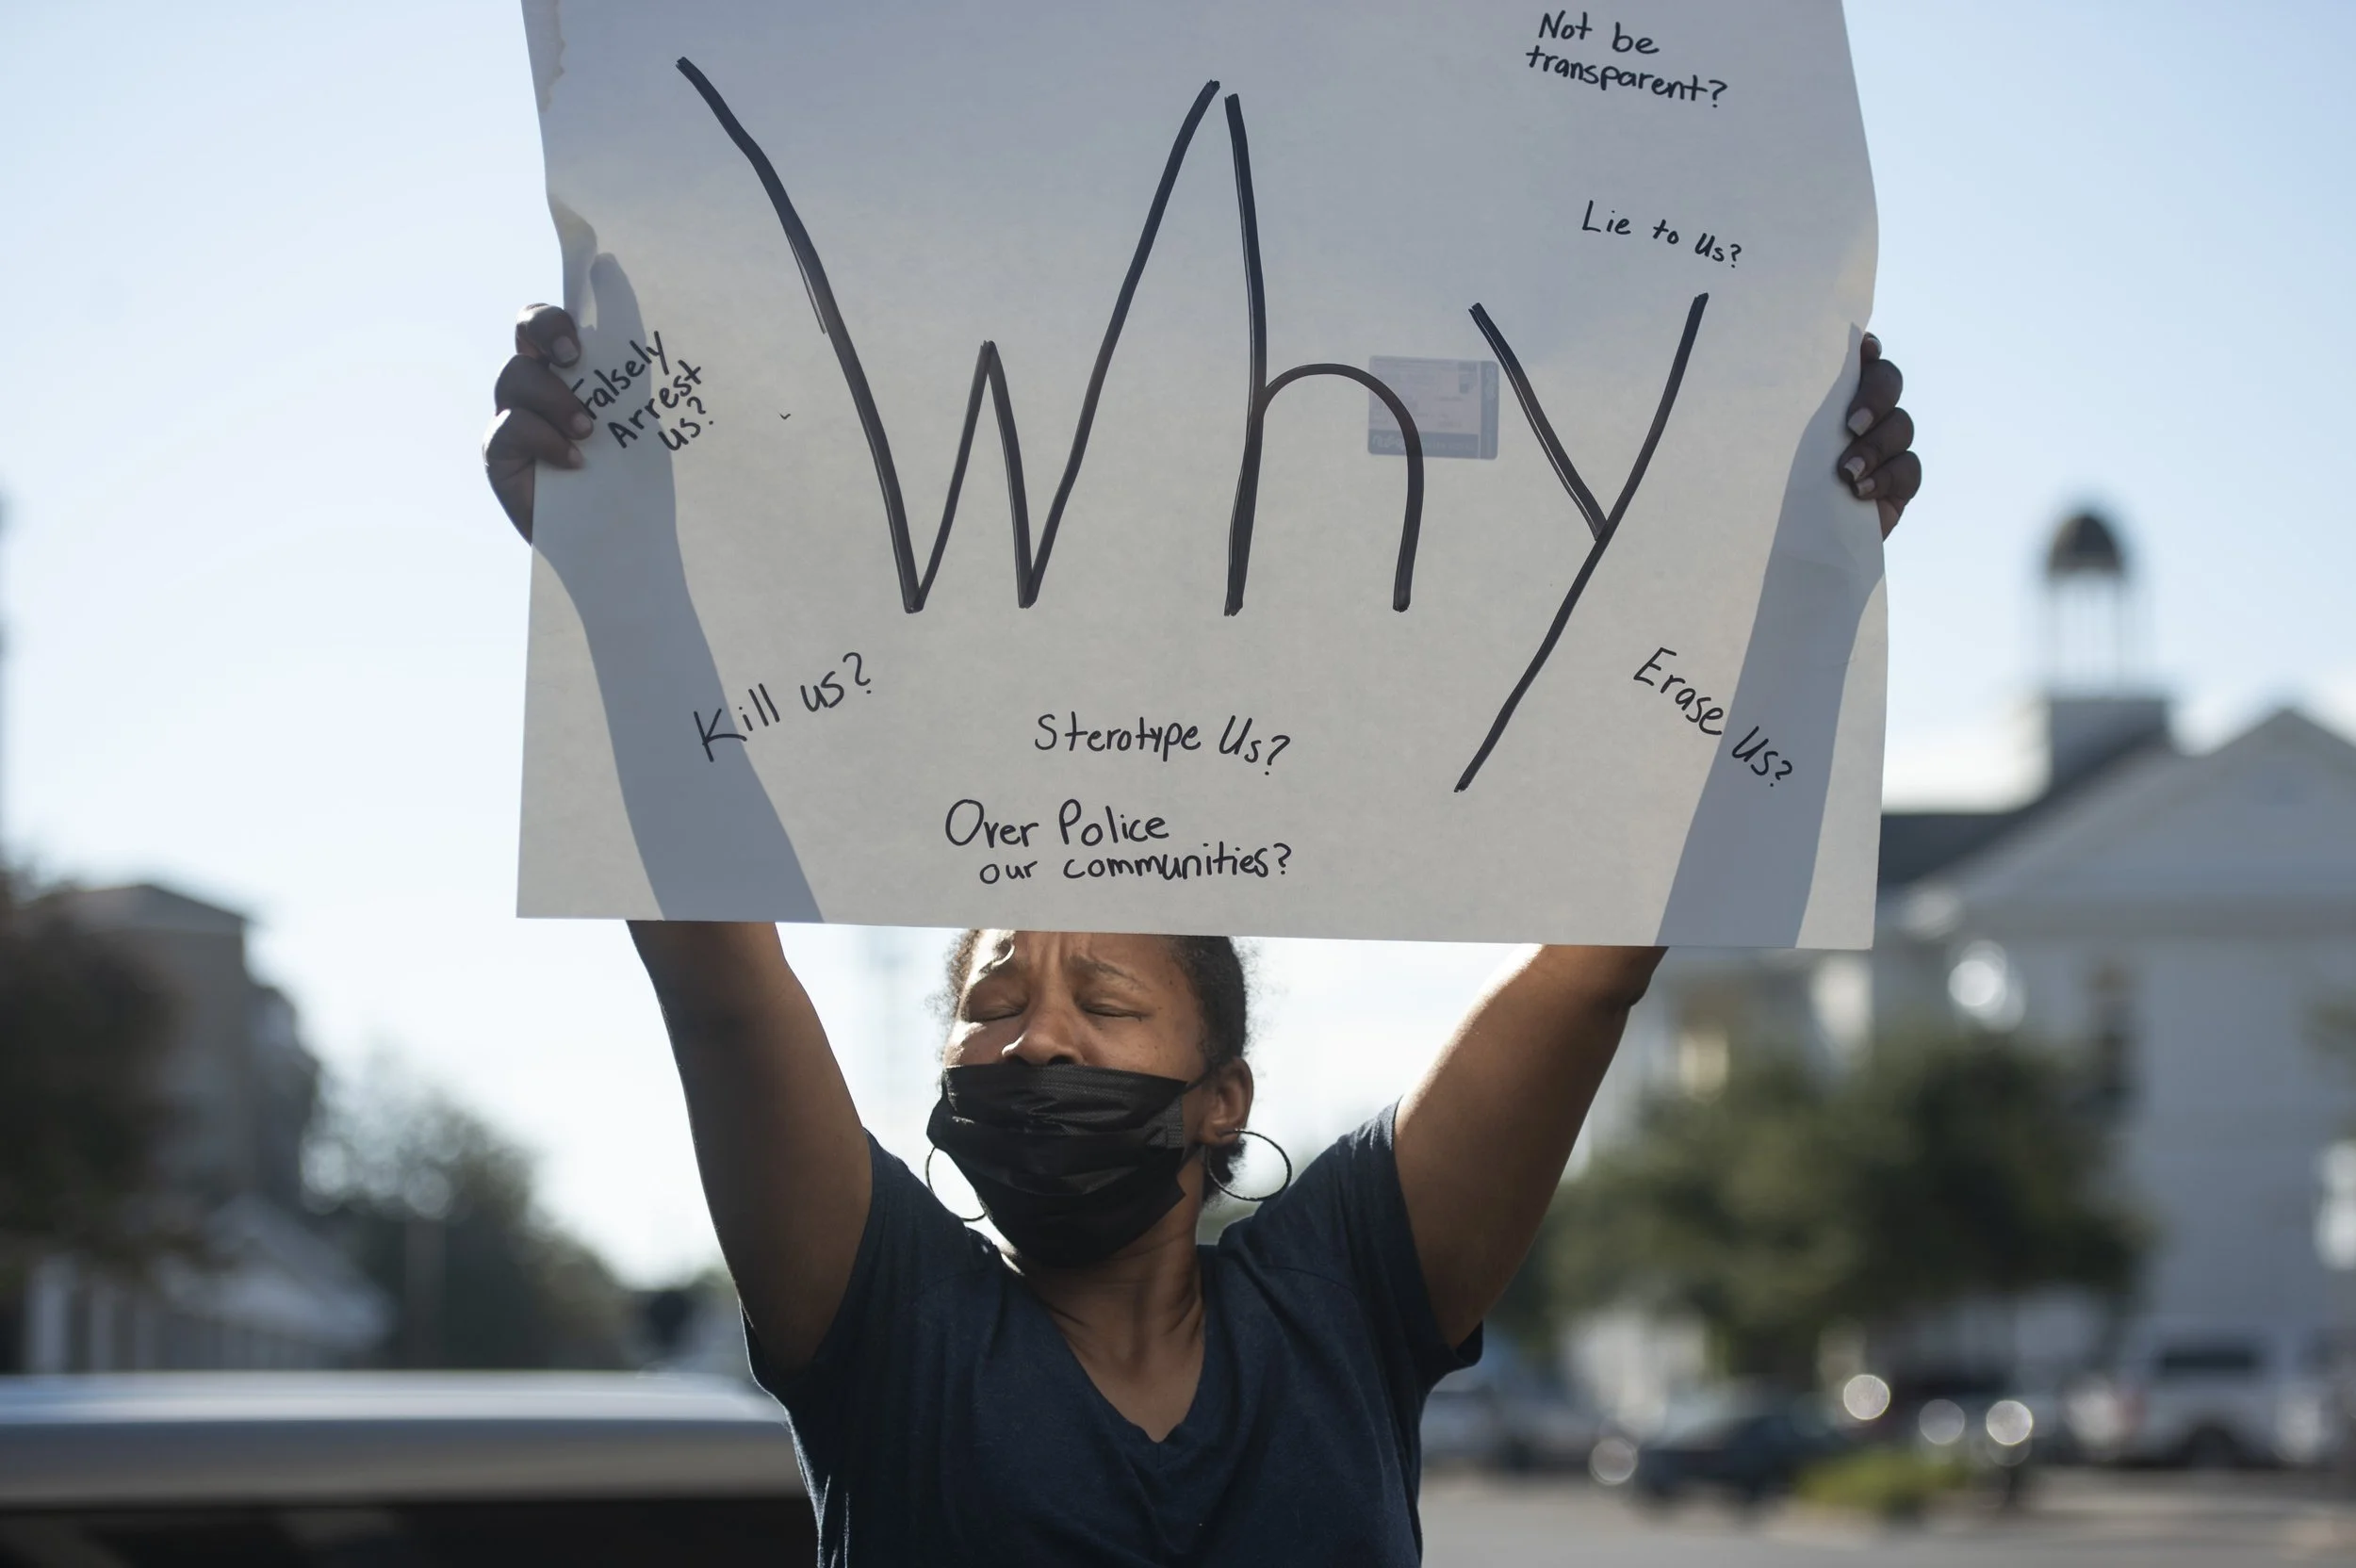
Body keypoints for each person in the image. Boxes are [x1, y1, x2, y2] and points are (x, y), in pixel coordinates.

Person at [483, 305, 1921, 1564]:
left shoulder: (1346, 1292)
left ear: (1222, 1097)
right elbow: (726, 992)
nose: (1032, 1033)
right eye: (989, 1004)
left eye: (1102, 1000)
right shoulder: (885, 1322)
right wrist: (607, 570)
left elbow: (1600, 963)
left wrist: (1793, 571)